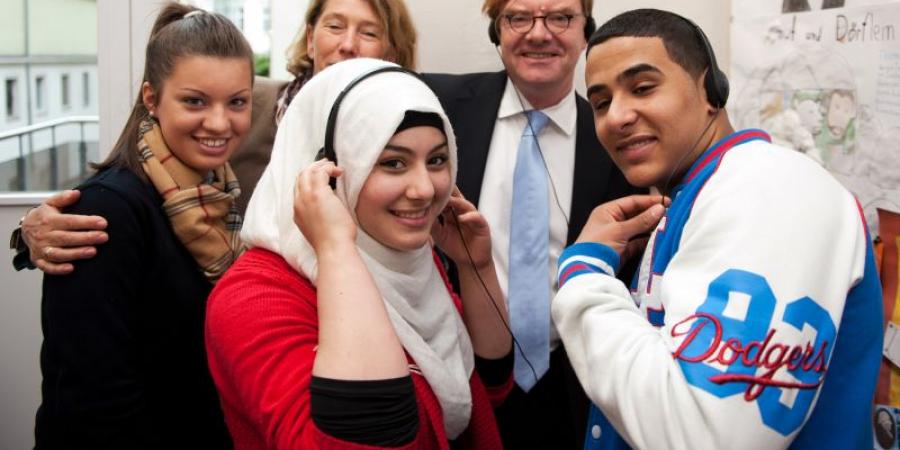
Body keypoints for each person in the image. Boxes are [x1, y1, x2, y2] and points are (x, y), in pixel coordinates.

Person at [552, 9, 882, 449]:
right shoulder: (698, 192)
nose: (616, 117)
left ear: (711, 90)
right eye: (601, 103)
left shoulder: (770, 192)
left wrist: (583, 272)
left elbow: (703, 436)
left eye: (643, 87)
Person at [204, 58, 512, 449]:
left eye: (436, 160)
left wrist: (475, 266)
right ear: (326, 169)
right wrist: (334, 249)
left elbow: (492, 385)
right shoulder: (252, 298)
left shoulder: (408, 258)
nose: (424, 189)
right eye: (393, 163)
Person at [11, 0, 417, 275]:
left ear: (391, 53)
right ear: (311, 39)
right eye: (334, 26)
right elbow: (138, 166)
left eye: (368, 32)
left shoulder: (404, 140)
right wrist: (30, 229)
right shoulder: (249, 99)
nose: (348, 44)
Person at [34, 4, 253, 448]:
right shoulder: (109, 208)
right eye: (195, 101)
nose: (219, 122)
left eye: (237, 102)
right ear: (151, 99)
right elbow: (94, 398)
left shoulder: (221, 195)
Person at [424, 0, 634, 448]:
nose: (539, 34)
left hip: (571, 384)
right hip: (455, 371)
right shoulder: (437, 106)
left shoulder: (620, 138)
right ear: (496, 32)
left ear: (585, 33)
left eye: (560, 17)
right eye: (519, 17)